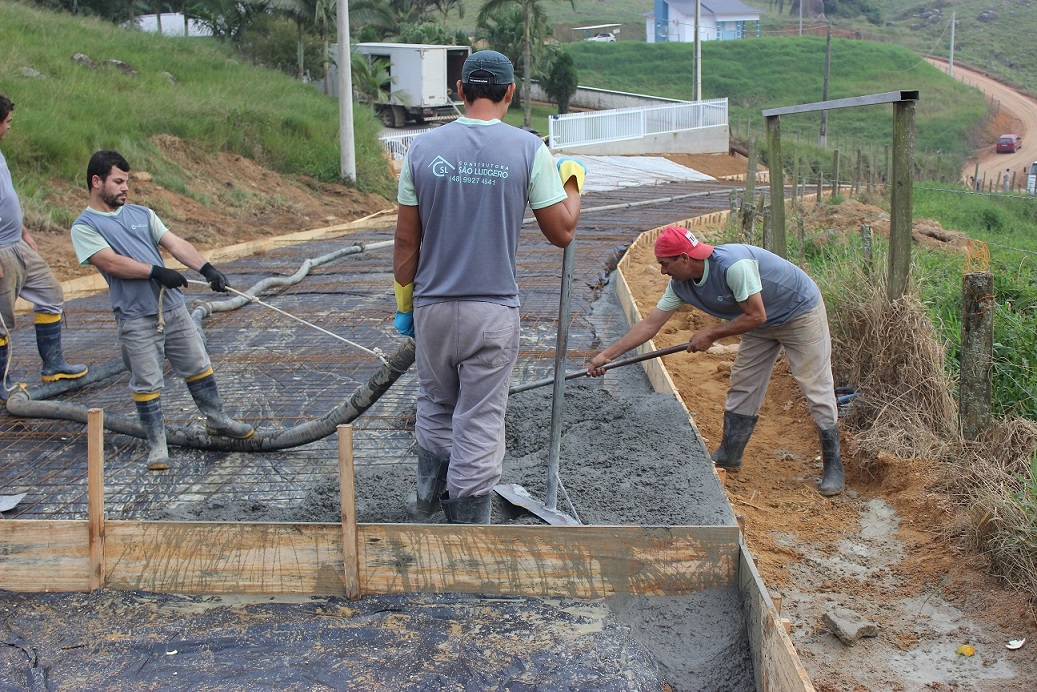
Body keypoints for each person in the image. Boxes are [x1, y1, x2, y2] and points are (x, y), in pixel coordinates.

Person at [393, 50, 584, 524]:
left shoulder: (422, 151)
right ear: (510, 93)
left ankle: (425, 504)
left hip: (433, 309)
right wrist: (573, 181)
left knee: (436, 405)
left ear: (460, 91)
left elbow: (403, 244)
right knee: (478, 418)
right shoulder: (527, 150)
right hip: (492, 313)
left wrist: (406, 303)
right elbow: (562, 232)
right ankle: (468, 533)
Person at [587, 225, 844, 496]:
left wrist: (711, 334)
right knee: (744, 382)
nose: (663, 271)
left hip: (797, 312)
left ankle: (833, 466)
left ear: (684, 258)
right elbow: (650, 325)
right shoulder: (680, 285)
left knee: (815, 385)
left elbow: (757, 315)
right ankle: (730, 453)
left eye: (665, 264)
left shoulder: (733, 266)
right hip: (756, 322)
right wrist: (607, 355)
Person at [70, 150, 253, 469]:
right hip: (135, 317)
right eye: (118, 181)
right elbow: (110, 262)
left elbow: (175, 243)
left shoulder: (142, 214)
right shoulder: (84, 227)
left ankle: (217, 420)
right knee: (147, 381)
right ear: (96, 182)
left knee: (198, 364)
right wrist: (155, 271)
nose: (125, 187)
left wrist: (206, 268)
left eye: (127, 181)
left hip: (173, 309)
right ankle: (157, 443)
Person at [0, 93, 87, 398]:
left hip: (15, 244)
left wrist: (21, 228)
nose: (10, 127)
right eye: (8, 121)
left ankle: (53, 364)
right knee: (1, 321)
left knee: (51, 293)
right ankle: (1, 384)